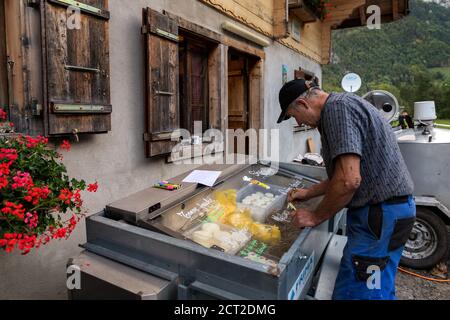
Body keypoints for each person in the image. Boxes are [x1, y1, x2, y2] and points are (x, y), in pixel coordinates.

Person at [277, 79, 416, 300]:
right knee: (378, 288)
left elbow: (349, 181)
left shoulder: (337, 110)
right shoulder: (344, 105)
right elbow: (343, 175)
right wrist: (308, 193)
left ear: (303, 104)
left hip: (379, 216)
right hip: (387, 213)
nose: (299, 121)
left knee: (359, 293)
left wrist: (314, 216)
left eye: (294, 116)